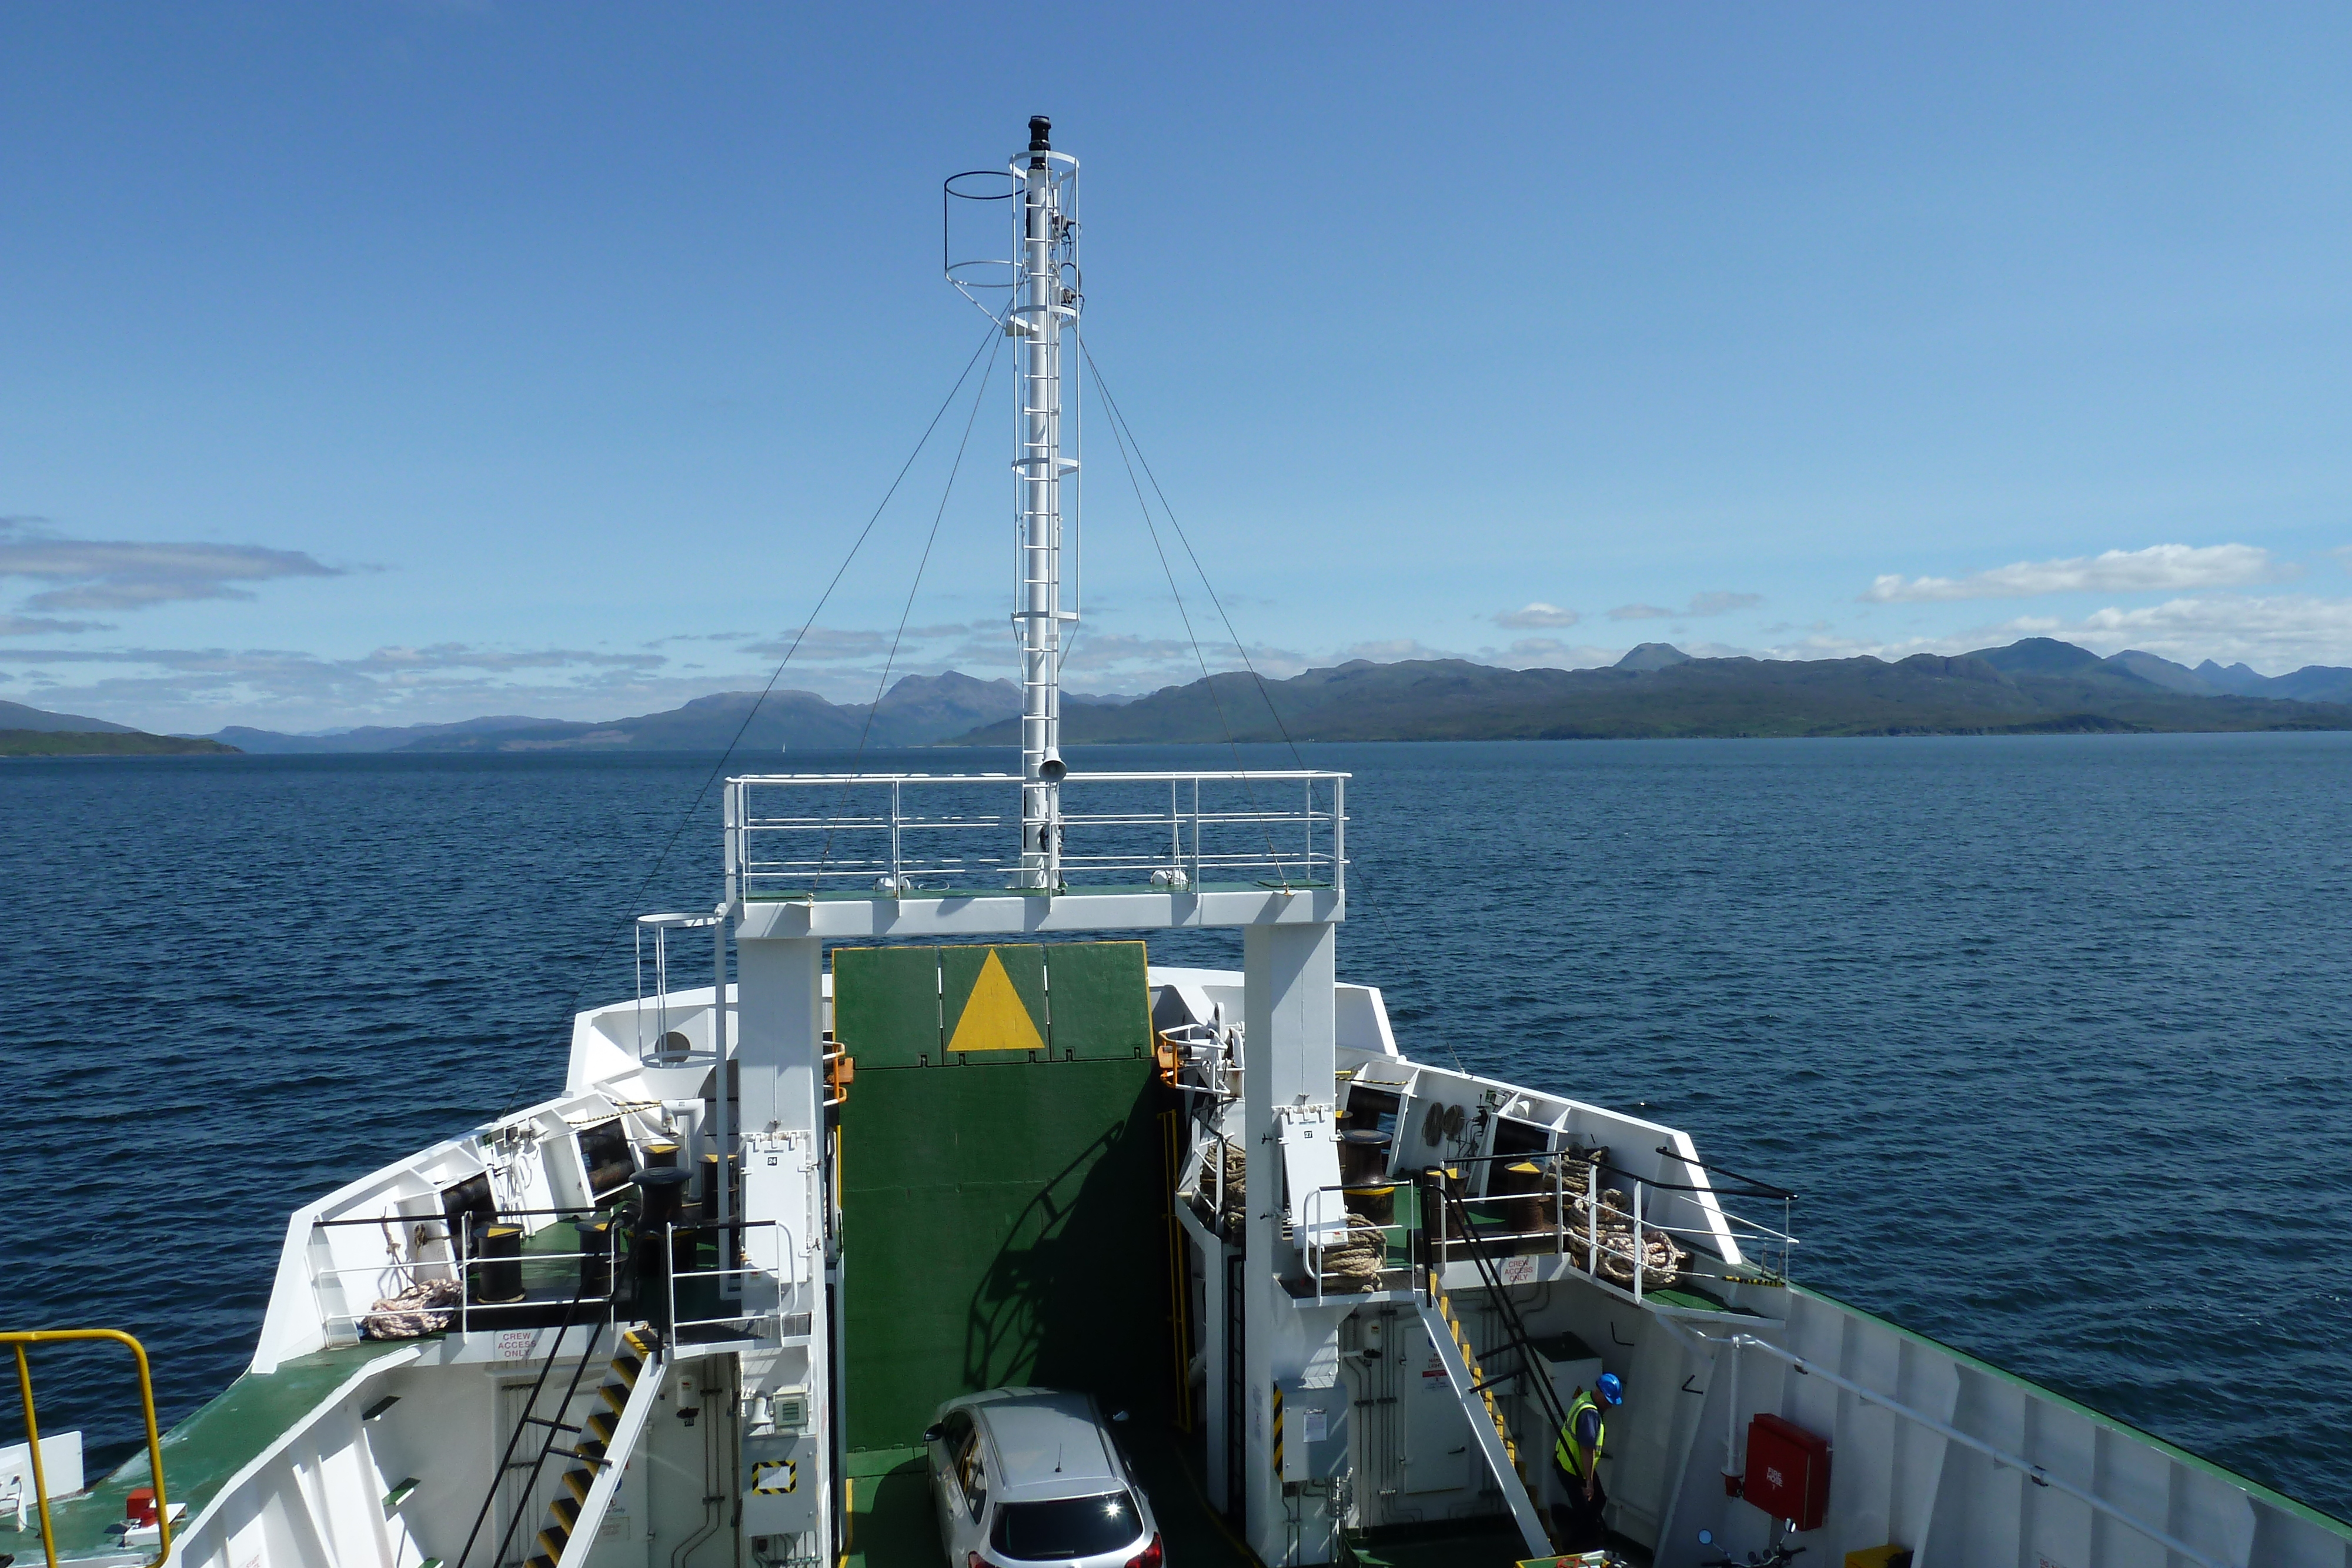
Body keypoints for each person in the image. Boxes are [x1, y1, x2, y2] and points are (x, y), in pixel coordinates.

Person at [1551, 1372, 1622, 1549]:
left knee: (1597, 1501)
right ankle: (1573, 1547)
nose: (1610, 1406)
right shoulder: (1590, 1414)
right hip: (1573, 1470)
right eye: (1608, 1401)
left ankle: (1583, 1533)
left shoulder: (1585, 1398)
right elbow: (1587, 1449)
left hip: (1568, 1462)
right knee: (1588, 1508)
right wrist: (1589, 1482)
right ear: (1598, 1393)